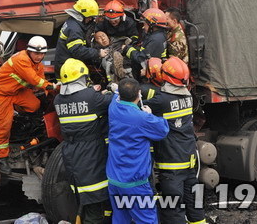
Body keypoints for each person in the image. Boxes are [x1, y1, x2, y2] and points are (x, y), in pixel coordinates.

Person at [143, 56, 206, 224]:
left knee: (173, 210)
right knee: (195, 204)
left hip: (172, 165)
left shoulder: (161, 100)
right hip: (189, 159)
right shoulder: (187, 97)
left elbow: (137, 106)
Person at [54, 58, 113, 223]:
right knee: (96, 198)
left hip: (70, 152)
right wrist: (113, 91)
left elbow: (80, 101)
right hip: (90, 152)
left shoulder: (58, 100)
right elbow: (112, 101)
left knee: (83, 198)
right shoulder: (91, 97)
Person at [107, 78, 169, 224]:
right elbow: (163, 130)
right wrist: (149, 114)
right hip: (135, 183)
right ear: (139, 94)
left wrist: (116, 89)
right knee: (147, 220)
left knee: (121, 220)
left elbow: (116, 95)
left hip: (114, 180)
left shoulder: (113, 108)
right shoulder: (141, 118)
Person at [0, 36, 54, 174]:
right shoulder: (21, 60)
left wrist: (47, 93)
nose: (39, 56)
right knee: (4, 126)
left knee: (34, 105)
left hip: (17, 91)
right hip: (1, 95)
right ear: (29, 51)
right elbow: (35, 80)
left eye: (42, 53)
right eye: (36, 53)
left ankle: (16, 114)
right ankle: (2, 158)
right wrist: (53, 87)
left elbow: (41, 81)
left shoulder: (38, 64)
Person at [54, 0, 108, 80]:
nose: (90, 19)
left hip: (68, 65)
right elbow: (78, 51)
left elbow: (86, 28)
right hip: (68, 70)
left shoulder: (73, 22)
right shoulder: (74, 29)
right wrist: (98, 53)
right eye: (90, 17)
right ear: (81, 15)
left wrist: (95, 21)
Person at [122, 8, 168, 78]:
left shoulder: (156, 40)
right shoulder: (155, 35)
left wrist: (127, 49)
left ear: (152, 25)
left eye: (145, 24)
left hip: (149, 74)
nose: (143, 27)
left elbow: (142, 59)